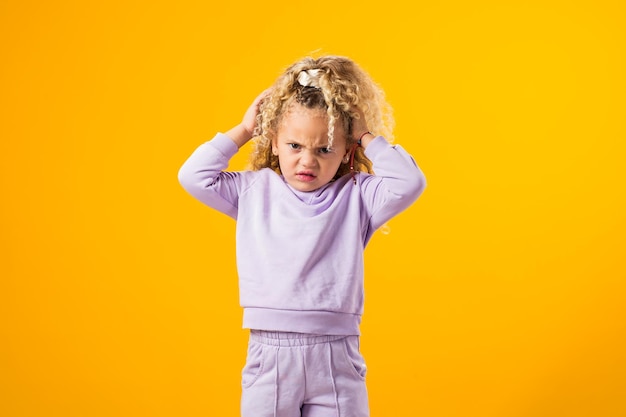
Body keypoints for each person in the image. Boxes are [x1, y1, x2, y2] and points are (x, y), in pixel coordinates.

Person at [178, 55, 426, 417]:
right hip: (270, 353)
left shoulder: (358, 194)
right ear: (274, 142)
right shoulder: (252, 191)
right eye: (294, 146)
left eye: (324, 149)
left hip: (337, 353)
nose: (307, 161)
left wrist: (366, 135)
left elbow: (410, 182)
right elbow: (193, 176)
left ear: (346, 153)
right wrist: (245, 129)